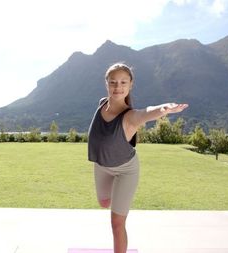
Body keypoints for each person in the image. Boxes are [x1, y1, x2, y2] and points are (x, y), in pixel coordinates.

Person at [87, 63, 188, 253]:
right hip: (101, 166)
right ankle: (114, 197)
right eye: (113, 82)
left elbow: (147, 112)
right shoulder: (102, 102)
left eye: (123, 82)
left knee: (117, 224)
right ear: (106, 83)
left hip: (126, 170)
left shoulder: (131, 116)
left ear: (131, 84)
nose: (118, 87)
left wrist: (163, 108)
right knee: (103, 203)